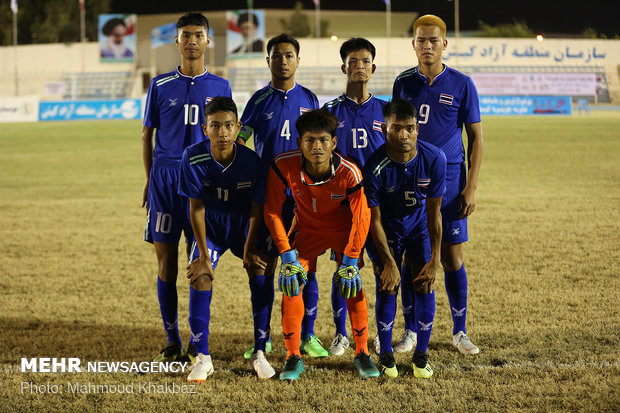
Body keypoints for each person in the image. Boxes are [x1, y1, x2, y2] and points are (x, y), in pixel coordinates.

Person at [263, 109, 380, 380]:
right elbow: (271, 211)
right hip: (306, 230)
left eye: (323, 140)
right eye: (310, 140)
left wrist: (351, 258)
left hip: (342, 231)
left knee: (352, 284)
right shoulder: (283, 165)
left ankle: (361, 352)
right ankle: (293, 356)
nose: (317, 146)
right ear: (299, 142)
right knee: (292, 283)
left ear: (333, 143)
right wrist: (287, 254)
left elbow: (362, 215)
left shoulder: (349, 171)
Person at [142, 12, 232, 365]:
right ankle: (171, 340)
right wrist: (149, 180)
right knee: (166, 264)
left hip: (203, 180)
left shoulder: (221, 86)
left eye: (198, 34)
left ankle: (198, 342)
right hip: (165, 180)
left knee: (200, 262)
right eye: (186, 35)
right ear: (176, 41)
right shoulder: (160, 85)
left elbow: (227, 135)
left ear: (208, 40)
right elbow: (147, 134)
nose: (192, 40)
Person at [392, 14, 483, 355]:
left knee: (451, 257)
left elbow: (476, 138)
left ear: (444, 44)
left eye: (433, 40)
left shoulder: (462, 84)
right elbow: (395, 131)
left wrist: (471, 187)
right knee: (411, 258)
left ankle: (459, 331)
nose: (426, 46)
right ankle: (410, 331)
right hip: (410, 182)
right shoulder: (403, 83)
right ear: (413, 44)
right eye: (420, 40)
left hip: (450, 182)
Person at [237, 33, 327, 359]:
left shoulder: (310, 99)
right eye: (277, 55)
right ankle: (262, 339)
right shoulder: (258, 101)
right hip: (267, 196)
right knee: (263, 267)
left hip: (303, 198)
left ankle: (308, 336)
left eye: (289, 55)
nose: (283, 60)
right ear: (269, 61)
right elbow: (241, 140)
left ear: (298, 61)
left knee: (307, 268)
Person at [178, 96, 276, 382]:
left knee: (260, 270)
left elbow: (258, 206)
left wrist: (248, 249)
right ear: (204, 128)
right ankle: (203, 358)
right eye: (215, 126)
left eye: (228, 126)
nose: (222, 132)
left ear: (238, 128)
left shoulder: (251, 161)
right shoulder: (193, 157)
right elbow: (195, 206)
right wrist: (204, 257)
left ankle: (260, 352)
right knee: (200, 276)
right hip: (210, 226)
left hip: (245, 223)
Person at [363, 98, 446, 379]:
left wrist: (435, 259)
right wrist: (387, 261)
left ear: (417, 129)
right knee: (387, 283)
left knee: (424, 284)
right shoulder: (374, 166)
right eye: (396, 128)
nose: (403, 135)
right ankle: (385, 353)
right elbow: (373, 219)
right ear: (384, 129)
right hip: (385, 231)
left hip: (418, 229)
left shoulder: (435, 159)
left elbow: (435, 213)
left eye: (409, 128)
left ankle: (421, 355)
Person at [322, 37, 388, 356]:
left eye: (364, 61)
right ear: (344, 67)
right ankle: (340, 333)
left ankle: (378, 333)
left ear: (372, 68)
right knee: (344, 269)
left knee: (380, 268)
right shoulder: (330, 111)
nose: (358, 66)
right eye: (352, 61)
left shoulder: (386, 111)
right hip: (343, 206)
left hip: (377, 205)